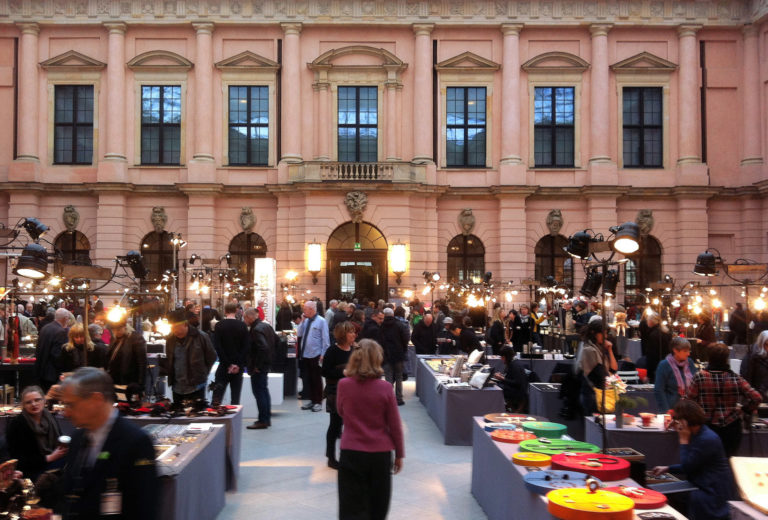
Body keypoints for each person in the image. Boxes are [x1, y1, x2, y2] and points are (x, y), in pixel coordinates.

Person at [56, 368, 157, 519]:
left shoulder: (135, 442)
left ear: (96, 400)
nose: (66, 412)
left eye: (71, 405)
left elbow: (144, 510)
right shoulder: (77, 439)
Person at [337, 339, 404, 520]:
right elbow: (394, 424)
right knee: (378, 505)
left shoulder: (344, 385)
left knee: (350, 506)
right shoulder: (385, 388)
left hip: (351, 451)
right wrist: (399, 453)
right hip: (379, 454)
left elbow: (340, 411)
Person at [651, 399, 734, 520]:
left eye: (676, 420)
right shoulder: (698, 433)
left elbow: (688, 467)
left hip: (711, 492)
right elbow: (693, 463)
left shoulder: (706, 438)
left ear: (684, 421)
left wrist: (683, 439)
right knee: (664, 493)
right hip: (703, 484)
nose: (675, 423)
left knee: (670, 498)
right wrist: (668, 468)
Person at [687, 342, 762, 456]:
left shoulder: (700, 376)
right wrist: (744, 409)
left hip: (707, 426)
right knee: (727, 463)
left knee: (707, 463)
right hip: (731, 428)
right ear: (726, 358)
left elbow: (689, 402)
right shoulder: (735, 378)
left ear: (709, 357)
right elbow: (757, 398)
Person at [6, 386, 66, 482]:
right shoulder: (18, 424)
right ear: (23, 405)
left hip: (52, 462)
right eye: (28, 402)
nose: (34, 404)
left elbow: (59, 439)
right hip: (29, 470)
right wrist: (48, 458)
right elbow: (18, 460)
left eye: (37, 400)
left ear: (44, 401)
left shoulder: (49, 417)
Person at [322, 321, 356, 469]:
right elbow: (325, 372)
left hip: (352, 392)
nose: (354, 334)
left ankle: (347, 455)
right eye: (350, 332)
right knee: (335, 425)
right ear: (343, 335)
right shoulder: (332, 351)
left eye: (354, 331)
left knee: (349, 426)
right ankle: (331, 456)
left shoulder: (355, 350)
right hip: (335, 392)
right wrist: (342, 372)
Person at [162, 309, 217, 403]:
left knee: (196, 415)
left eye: (176, 326)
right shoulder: (170, 340)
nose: (174, 330)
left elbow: (212, 357)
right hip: (177, 387)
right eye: (172, 327)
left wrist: (203, 373)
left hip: (196, 386)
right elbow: (170, 359)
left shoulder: (201, 337)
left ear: (185, 324)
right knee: (178, 415)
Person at [211, 302, 250, 406]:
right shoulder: (242, 326)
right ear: (236, 311)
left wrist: (228, 364)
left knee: (217, 396)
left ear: (225, 311)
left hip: (224, 365)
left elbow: (218, 347)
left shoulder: (219, 325)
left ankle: (215, 418)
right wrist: (236, 364)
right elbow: (246, 347)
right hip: (238, 367)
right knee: (235, 398)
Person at [577, 319, 618, 415]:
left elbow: (613, 369)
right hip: (592, 396)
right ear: (593, 333)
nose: (606, 337)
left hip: (598, 395)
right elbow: (602, 375)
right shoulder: (590, 350)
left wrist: (610, 350)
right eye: (603, 334)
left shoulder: (598, 348)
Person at [244, 307, 275, 430]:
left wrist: (258, 365)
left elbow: (264, 348)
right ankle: (266, 419)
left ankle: (263, 420)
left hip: (259, 366)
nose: (244, 320)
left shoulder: (256, 329)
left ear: (250, 317)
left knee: (260, 392)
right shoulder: (265, 326)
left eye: (245, 317)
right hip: (265, 364)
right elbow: (276, 342)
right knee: (264, 391)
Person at [296, 300, 330, 412]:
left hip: (316, 354)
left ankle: (318, 402)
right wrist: (302, 321)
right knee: (308, 379)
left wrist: (323, 354)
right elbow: (299, 333)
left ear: (311, 309)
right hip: (306, 353)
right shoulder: (306, 321)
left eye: (305, 309)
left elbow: (326, 339)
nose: (303, 311)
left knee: (316, 379)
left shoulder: (321, 321)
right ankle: (312, 400)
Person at [654, 336, 697, 412]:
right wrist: (666, 410)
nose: (688, 354)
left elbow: (695, 383)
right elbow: (659, 390)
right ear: (675, 351)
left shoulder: (690, 362)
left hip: (689, 409)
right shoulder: (664, 365)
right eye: (685, 351)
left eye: (689, 351)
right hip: (672, 408)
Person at [105, 316, 147, 393]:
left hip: (130, 381)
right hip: (115, 379)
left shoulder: (136, 338)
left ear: (125, 327)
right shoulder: (114, 339)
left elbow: (142, 363)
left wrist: (140, 385)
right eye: (113, 330)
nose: (116, 332)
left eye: (118, 329)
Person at [34, 308, 70, 392]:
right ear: (65, 318)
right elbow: (57, 356)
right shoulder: (60, 332)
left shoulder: (45, 328)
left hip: (41, 371)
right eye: (68, 318)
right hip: (52, 374)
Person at [380, 308, 408, 406]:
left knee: (388, 377)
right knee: (399, 377)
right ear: (392, 314)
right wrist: (403, 350)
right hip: (398, 354)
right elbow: (405, 339)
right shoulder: (399, 325)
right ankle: (399, 398)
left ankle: (389, 399)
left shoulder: (381, 325)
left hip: (386, 355)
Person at [493, 346, 528, 412]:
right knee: (497, 385)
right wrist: (502, 377)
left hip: (517, 392)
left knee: (498, 388)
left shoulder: (514, 365)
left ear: (506, 356)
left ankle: (498, 408)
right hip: (516, 389)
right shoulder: (513, 363)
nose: (501, 359)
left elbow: (517, 383)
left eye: (502, 357)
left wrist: (502, 378)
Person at [639, 311, 671, 383]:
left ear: (651, 321)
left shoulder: (653, 335)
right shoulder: (665, 332)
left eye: (647, 320)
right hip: (666, 364)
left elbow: (651, 356)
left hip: (656, 367)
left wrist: (649, 374)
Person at [740, 329, 768, 400]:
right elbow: (746, 378)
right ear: (761, 343)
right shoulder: (751, 357)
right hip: (755, 397)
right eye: (767, 344)